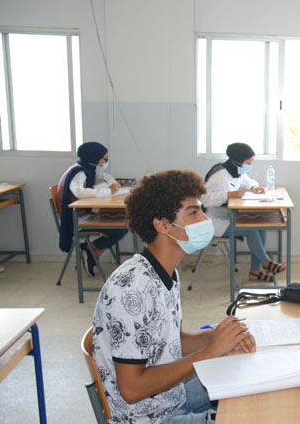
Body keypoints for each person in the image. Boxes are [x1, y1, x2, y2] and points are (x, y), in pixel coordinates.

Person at [92, 169, 256, 424]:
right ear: (163, 225)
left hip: (171, 396)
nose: (204, 219)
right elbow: (132, 390)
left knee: (252, 382)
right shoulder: (132, 289)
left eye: (201, 211)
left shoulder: (164, 271)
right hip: (147, 417)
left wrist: (218, 337)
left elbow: (172, 341)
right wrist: (209, 352)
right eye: (193, 212)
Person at [201, 142, 286, 282]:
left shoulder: (237, 171)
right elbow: (204, 199)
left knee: (260, 226)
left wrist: (254, 188)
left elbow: (247, 181)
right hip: (213, 221)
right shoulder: (220, 173)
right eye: (248, 162)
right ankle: (266, 262)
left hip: (229, 216)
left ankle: (255, 271)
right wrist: (229, 195)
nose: (249, 166)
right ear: (237, 160)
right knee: (251, 230)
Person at [56, 141, 126, 277]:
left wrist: (112, 183)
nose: (106, 162)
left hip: (81, 214)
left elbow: (102, 176)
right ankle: (90, 250)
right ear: (94, 157)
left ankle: (91, 251)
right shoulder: (78, 173)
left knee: (122, 224)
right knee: (121, 227)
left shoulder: (86, 168)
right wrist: (108, 191)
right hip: (75, 218)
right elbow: (79, 193)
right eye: (105, 159)